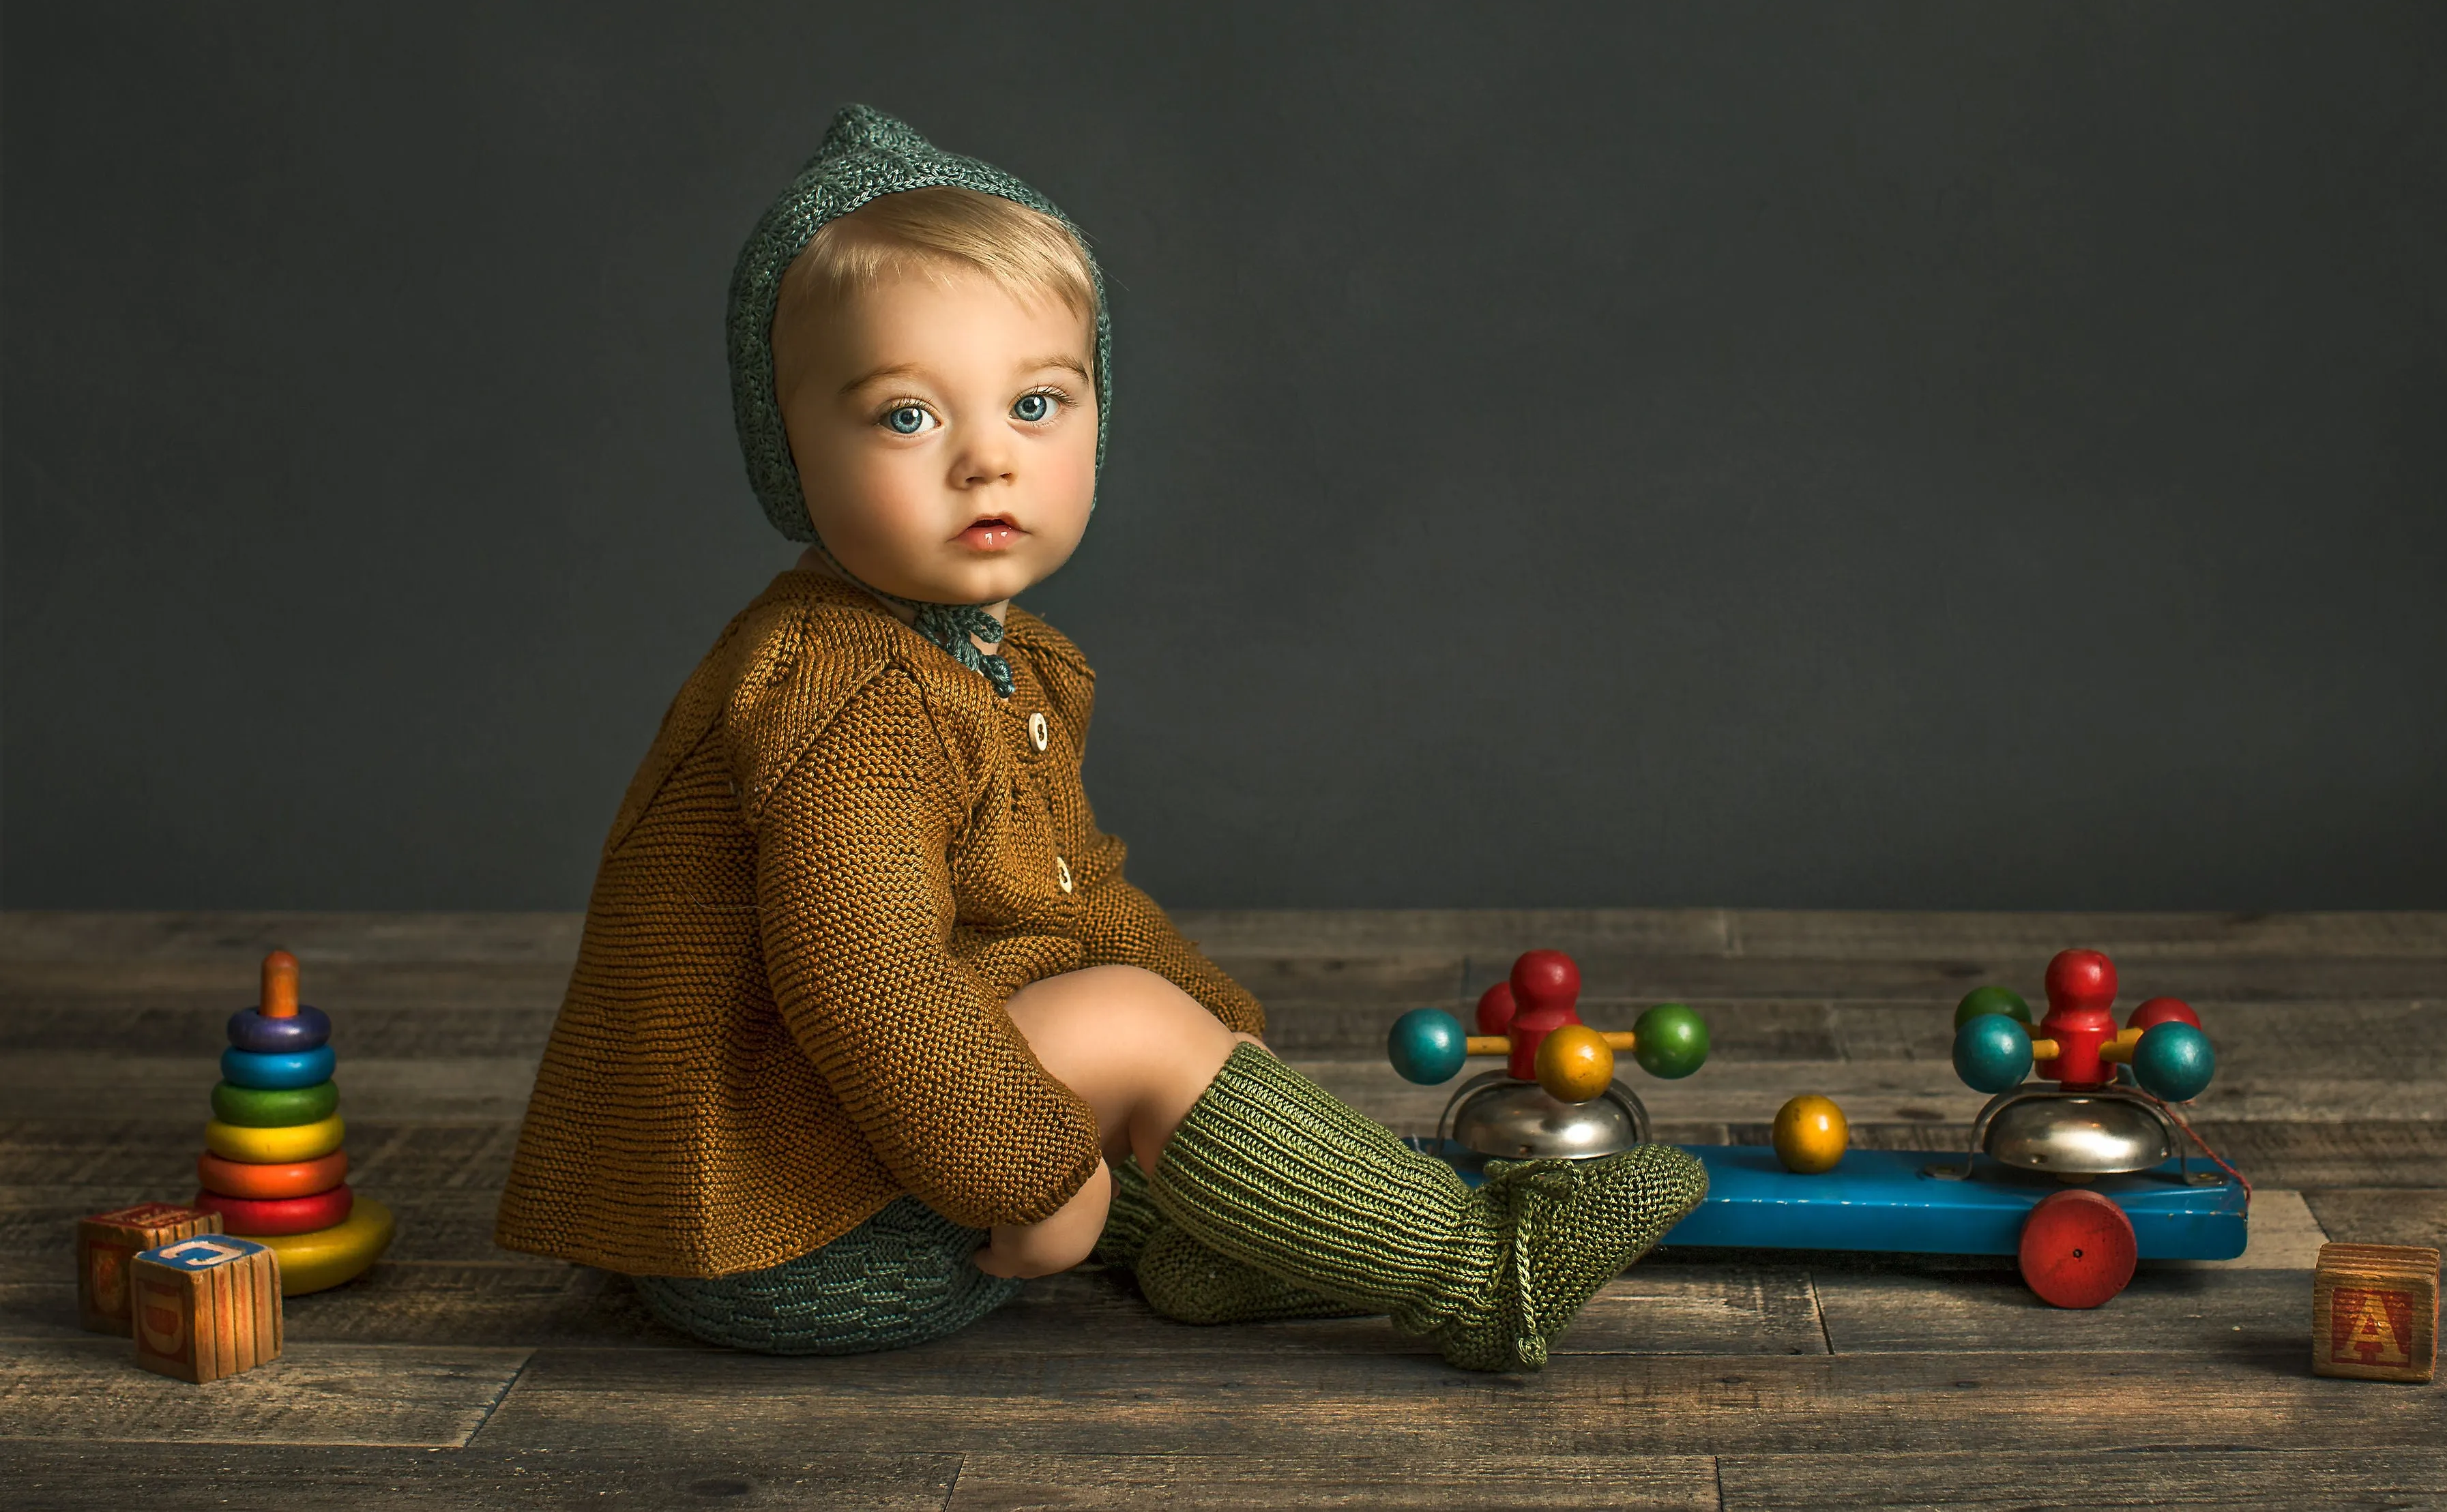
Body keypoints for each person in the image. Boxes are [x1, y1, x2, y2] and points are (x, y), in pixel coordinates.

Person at [494, 106, 1705, 1368]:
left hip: (850, 1171)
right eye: (908, 417)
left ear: (1097, 417)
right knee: (1124, 1027)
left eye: (1035, 404)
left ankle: (1211, 1250)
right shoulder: (848, 692)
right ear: (790, 451)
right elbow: (865, 982)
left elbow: (1068, 900)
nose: (987, 465)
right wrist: (1034, 1174)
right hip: (781, 1242)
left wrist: (1220, 1031)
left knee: (1161, 1033)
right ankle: (1485, 1271)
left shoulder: (996, 662)